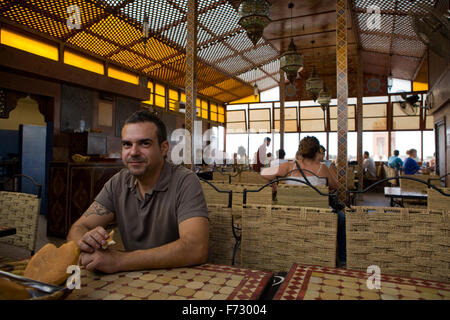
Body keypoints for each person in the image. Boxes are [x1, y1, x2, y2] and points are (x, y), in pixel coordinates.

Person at [67, 110, 209, 273]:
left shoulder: (185, 181)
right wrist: (85, 242)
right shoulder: (118, 183)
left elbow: (196, 248)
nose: (133, 152)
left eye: (144, 143)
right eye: (127, 144)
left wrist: (119, 261)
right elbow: (77, 228)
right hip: (132, 279)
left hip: (182, 280)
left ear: (163, 148)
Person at [260, 136, 345, 266]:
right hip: (318, 218)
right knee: (342, 219)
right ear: (317, 152)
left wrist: (274, 184)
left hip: (290, 215)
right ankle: (342, 259)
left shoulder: (288, 166)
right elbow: (336, 186)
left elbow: (264, 173)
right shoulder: (322, 169)